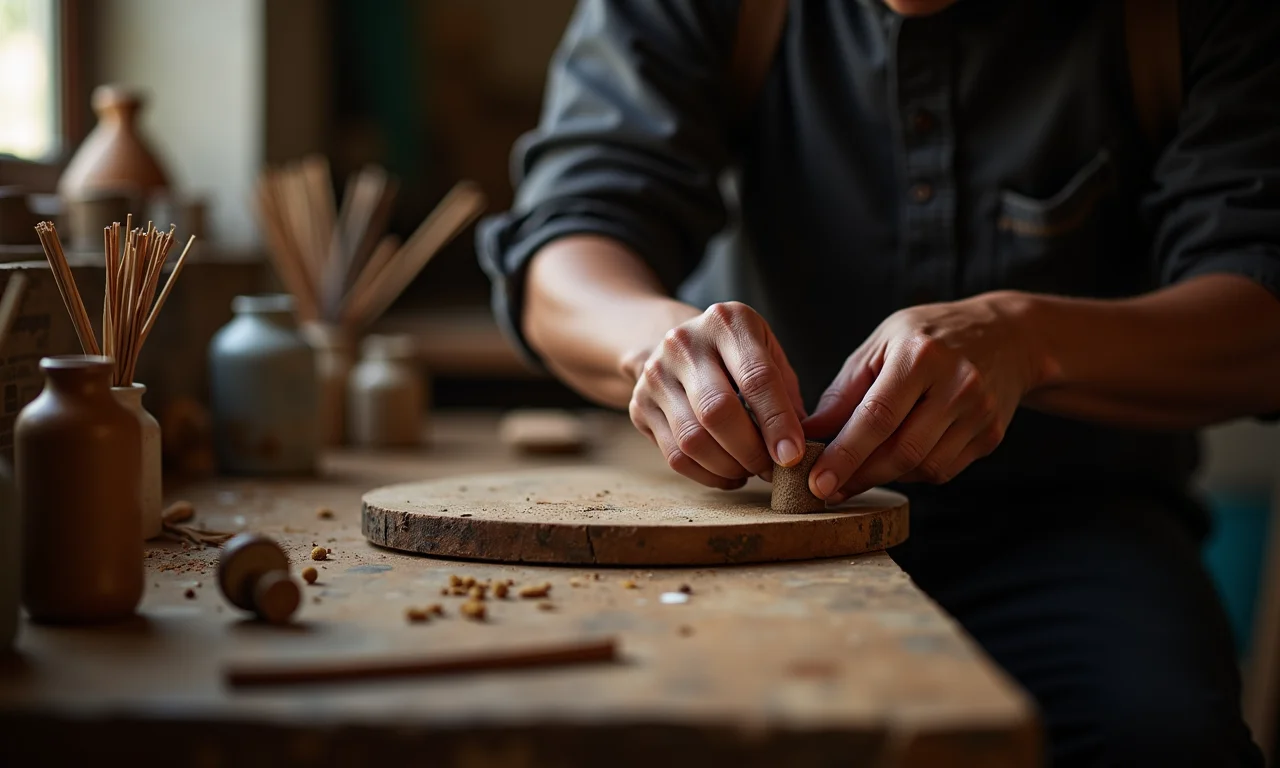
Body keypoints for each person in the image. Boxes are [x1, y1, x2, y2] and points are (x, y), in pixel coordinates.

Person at [477, 1, 1280, 764]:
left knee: (1162, 739)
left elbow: (1260, 317)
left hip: (1071, 523)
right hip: (759, 521)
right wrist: (654, 343)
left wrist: (1029, 341)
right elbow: (566, 245)